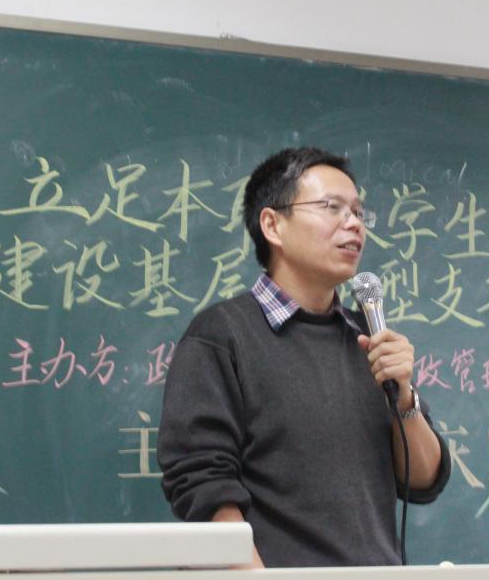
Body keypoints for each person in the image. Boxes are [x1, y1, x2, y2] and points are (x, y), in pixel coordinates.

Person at [157, 147, 451, 568]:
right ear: (272, 225)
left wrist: (403, 397)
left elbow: (423, 480)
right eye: (332, 207)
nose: (354, 223)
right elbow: (203, 484)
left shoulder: (368, 338)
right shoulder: (222, 336)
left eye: (358, 212)